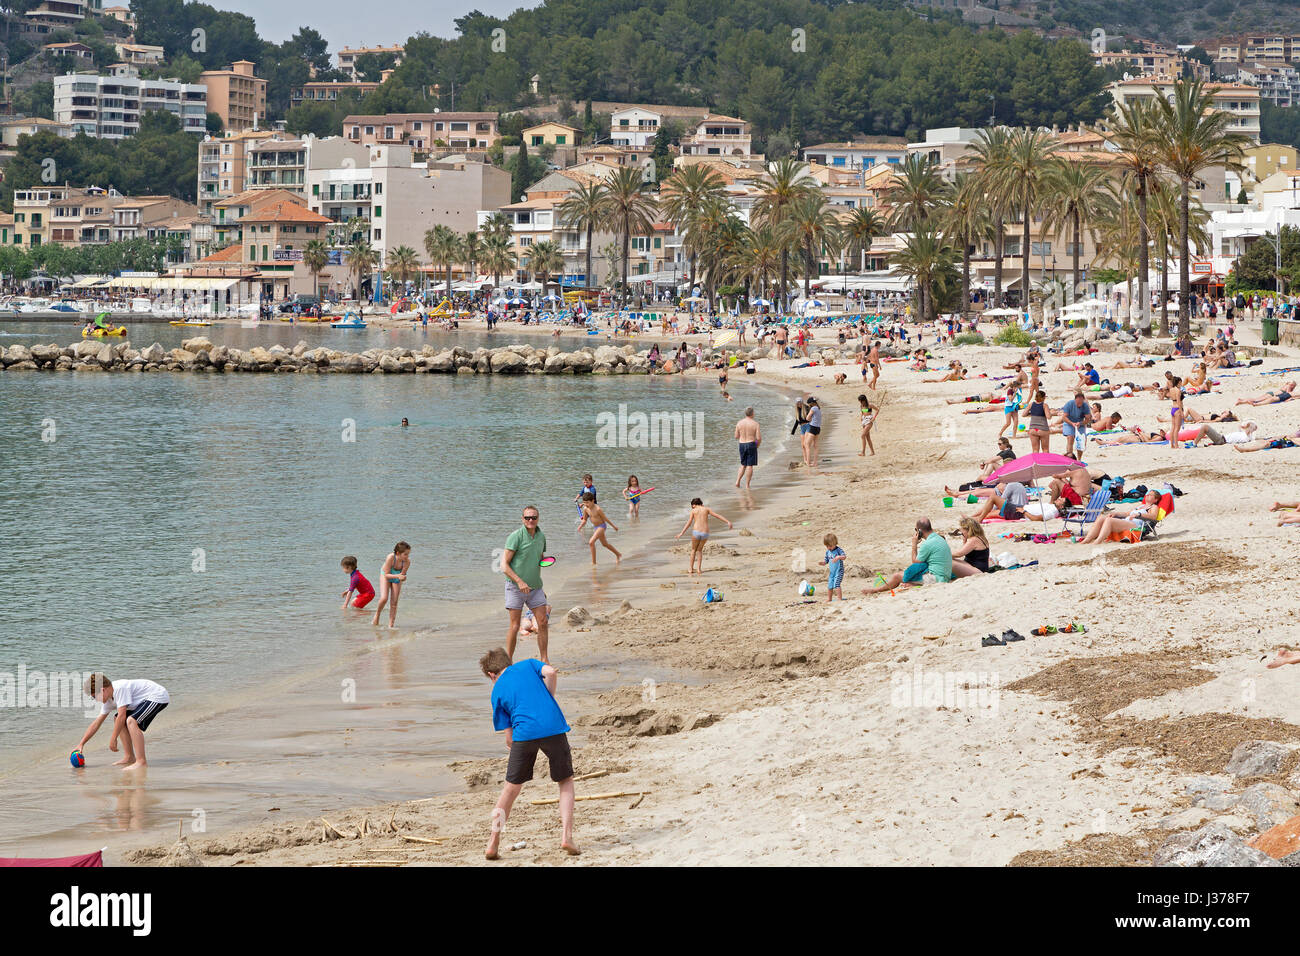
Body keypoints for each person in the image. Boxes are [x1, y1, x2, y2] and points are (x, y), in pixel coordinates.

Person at [479, 648, 578, 860]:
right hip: (553, 726)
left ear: (491, 674)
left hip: (524, 733)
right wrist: (548, 697)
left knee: (510, 790)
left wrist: (513, 746)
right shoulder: (527, 665)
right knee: (565, 780)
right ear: (509, 662)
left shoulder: (496, 691)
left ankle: (493, 842)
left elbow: (509, 737)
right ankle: (566, 836)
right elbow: (550, 672)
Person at [79, 673, 169, 771]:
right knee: (116, 718)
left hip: (158, 695)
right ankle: (129, 756)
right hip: (144, 700)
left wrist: (113, 738)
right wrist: (81, 744)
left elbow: (122, 716)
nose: (95, 700)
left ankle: (141, 761)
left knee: (130, 721)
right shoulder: (109, 700)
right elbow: (97, 723)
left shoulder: (120, 688)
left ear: (102, 690)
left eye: (94, 697)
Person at [503, 506, 550, 663]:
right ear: (522, 519)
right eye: (527, 518)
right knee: (515, 626)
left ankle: (544, 659)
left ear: (538, 518)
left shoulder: (541, 536)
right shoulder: (515, 537)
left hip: (535, 587)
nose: (531, 520)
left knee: (542, 622)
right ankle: (508, 663)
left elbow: (539, 558)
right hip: (515, 588)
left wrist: (544, 563)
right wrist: (520, 581)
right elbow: (504, 566)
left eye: (534, 518)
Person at [863, 517, 952, 594]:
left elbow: (915, 562)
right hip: (944, 575)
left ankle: (875, 590)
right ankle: (913, 584)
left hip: (936, 579)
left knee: (897, 576)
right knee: (910, 575)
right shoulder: (939, 538)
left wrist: (914, 545)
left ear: (919, 531)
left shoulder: (927, 544)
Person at [1076, 489, 1165, 544]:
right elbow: (1126, 514)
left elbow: (1153, 516)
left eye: (1150, 495)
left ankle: (1097, 541)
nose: (1147, 495)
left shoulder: (1154, 507)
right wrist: (1116, 514)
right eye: (1147, 494)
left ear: (1156, 499)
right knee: (1102, 517)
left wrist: (1139, 514)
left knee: (1109, 521)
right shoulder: (1140, 506)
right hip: (1127, 522)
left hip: (1136, 525)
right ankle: (1087, 539)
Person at [675, 497, 732, 574]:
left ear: (693, 505)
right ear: (701, 504)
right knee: (699, 550)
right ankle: (699, 569)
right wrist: (728, 521)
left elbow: (689, 523)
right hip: (705, 533)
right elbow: (717, 515)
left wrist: (681, 533)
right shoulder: (706, 509)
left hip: (696, 532)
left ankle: (691, 569)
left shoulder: (693, 510)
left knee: (693, 550)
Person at [371, 541, 411, 628]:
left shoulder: (407, 562)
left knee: (394, 602)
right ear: (398, 553)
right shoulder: (391, 557)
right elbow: (386, 574)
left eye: (408, 554)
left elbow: (402, 575)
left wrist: (403, 578)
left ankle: (391, 625)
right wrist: (398, 576)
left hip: (396, 577)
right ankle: (377, 615)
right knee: (384, 598)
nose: (407, 556)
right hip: (386, 574)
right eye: (405, 554)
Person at [579, 492, 621, 564]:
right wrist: (580, 526)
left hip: (602, 526)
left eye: (587, 502)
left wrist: (614, 526)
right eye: (584, 502)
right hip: (596, 527)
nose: (586, 504)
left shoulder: (598, 509)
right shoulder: (586, 509)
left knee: (591, 542)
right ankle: (618, 554)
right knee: (605, 544)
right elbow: (585, 520)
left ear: (592, 501)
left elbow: (605, 519)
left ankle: (594, 563)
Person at [1056, 391, 1093, 460]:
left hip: (1080, 422)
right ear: (1075, 400)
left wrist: (1081, 423)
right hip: (1069, 422)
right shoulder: (1069, 404)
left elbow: (1088, 419)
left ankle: (1079, 459)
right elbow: (1064, 417)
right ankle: (1069, 458)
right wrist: (1072, 423)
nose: (1079, 404)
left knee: (1081, 440)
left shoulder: (1085, 406)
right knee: (1070, 438)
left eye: (1081, 402)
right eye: (1078, 403)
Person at [735, 406, 761, 489]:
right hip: (751, 444)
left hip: (742, 444)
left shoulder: (739, 423)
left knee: (743, 464)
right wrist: (757, 444)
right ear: (752, 414)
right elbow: (758, 438)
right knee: (749, 465)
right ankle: (747, 485)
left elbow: (736, 436)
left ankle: (738, 481)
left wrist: (742, 437)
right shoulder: (755, 424)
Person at [819, 533, 846, 601]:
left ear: (835, 543)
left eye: (830, 546)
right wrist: (823, 563)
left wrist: (839, 557)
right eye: (827, 546)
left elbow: (844, 557)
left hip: (839, 571)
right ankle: (829, 599)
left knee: (836, 584)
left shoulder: (838, 550)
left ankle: (839, 598)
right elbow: (826, 560)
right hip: (832, 572)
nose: (829, 548)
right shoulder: (828, 552)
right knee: (830, 585)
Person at [1026, 388, 1052, 454]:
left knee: (1035, 450)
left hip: (1033, 429)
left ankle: (1036, 463)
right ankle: (1045, 463)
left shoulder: (1031, 404)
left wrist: (1031, 413)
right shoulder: (1044, 405)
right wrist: (1051, 413)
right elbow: (1048, 417)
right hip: (1042, 429)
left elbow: (1023, 414)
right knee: (1045, 450)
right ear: (1043, 398)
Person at [804, 398, 823, 470]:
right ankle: (815, 462)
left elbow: (807, 418)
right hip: (818, 428)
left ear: (811, 403)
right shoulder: (818, 408)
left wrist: (810, 419)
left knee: (807, 445)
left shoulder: (813, 408)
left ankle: (808, 463)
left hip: (812, 427)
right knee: (815, 446)